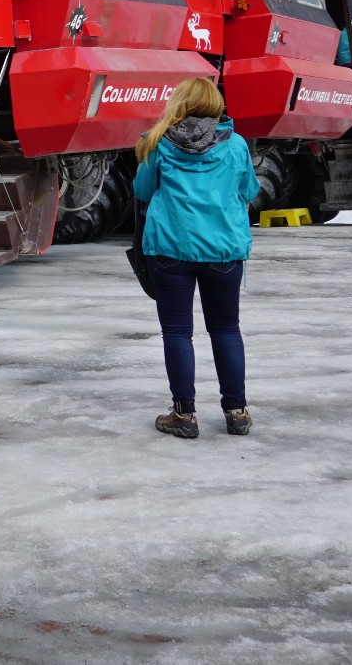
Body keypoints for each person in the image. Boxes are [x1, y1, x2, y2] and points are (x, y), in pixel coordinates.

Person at [132, 77, 259, 439]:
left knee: (177, 332)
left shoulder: (157, 143)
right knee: (225, 329)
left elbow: (142, 190)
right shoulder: (235, 145)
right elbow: (250, 189)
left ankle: (183, 415)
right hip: (223, 250)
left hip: (170, 248)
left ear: (180, 104)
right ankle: (236, 411)